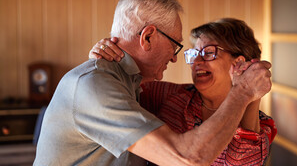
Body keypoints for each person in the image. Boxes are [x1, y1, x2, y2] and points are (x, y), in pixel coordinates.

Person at [34, 0, 272, 166]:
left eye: (208, 53)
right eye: (177, 46)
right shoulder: (158, 94)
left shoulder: (130, 84)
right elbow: (187, 158)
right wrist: (242, 92)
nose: (177, 58)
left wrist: (248, 96)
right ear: (147, 37)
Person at [90, 18, 277, 165]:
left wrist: (250, 95)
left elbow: (240, 162)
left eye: (209, 52)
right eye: (194, 54)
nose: (197, 62)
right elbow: (115, 90)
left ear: (238, 63)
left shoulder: (261, 124)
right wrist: (104, 60)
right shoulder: (170, 96)